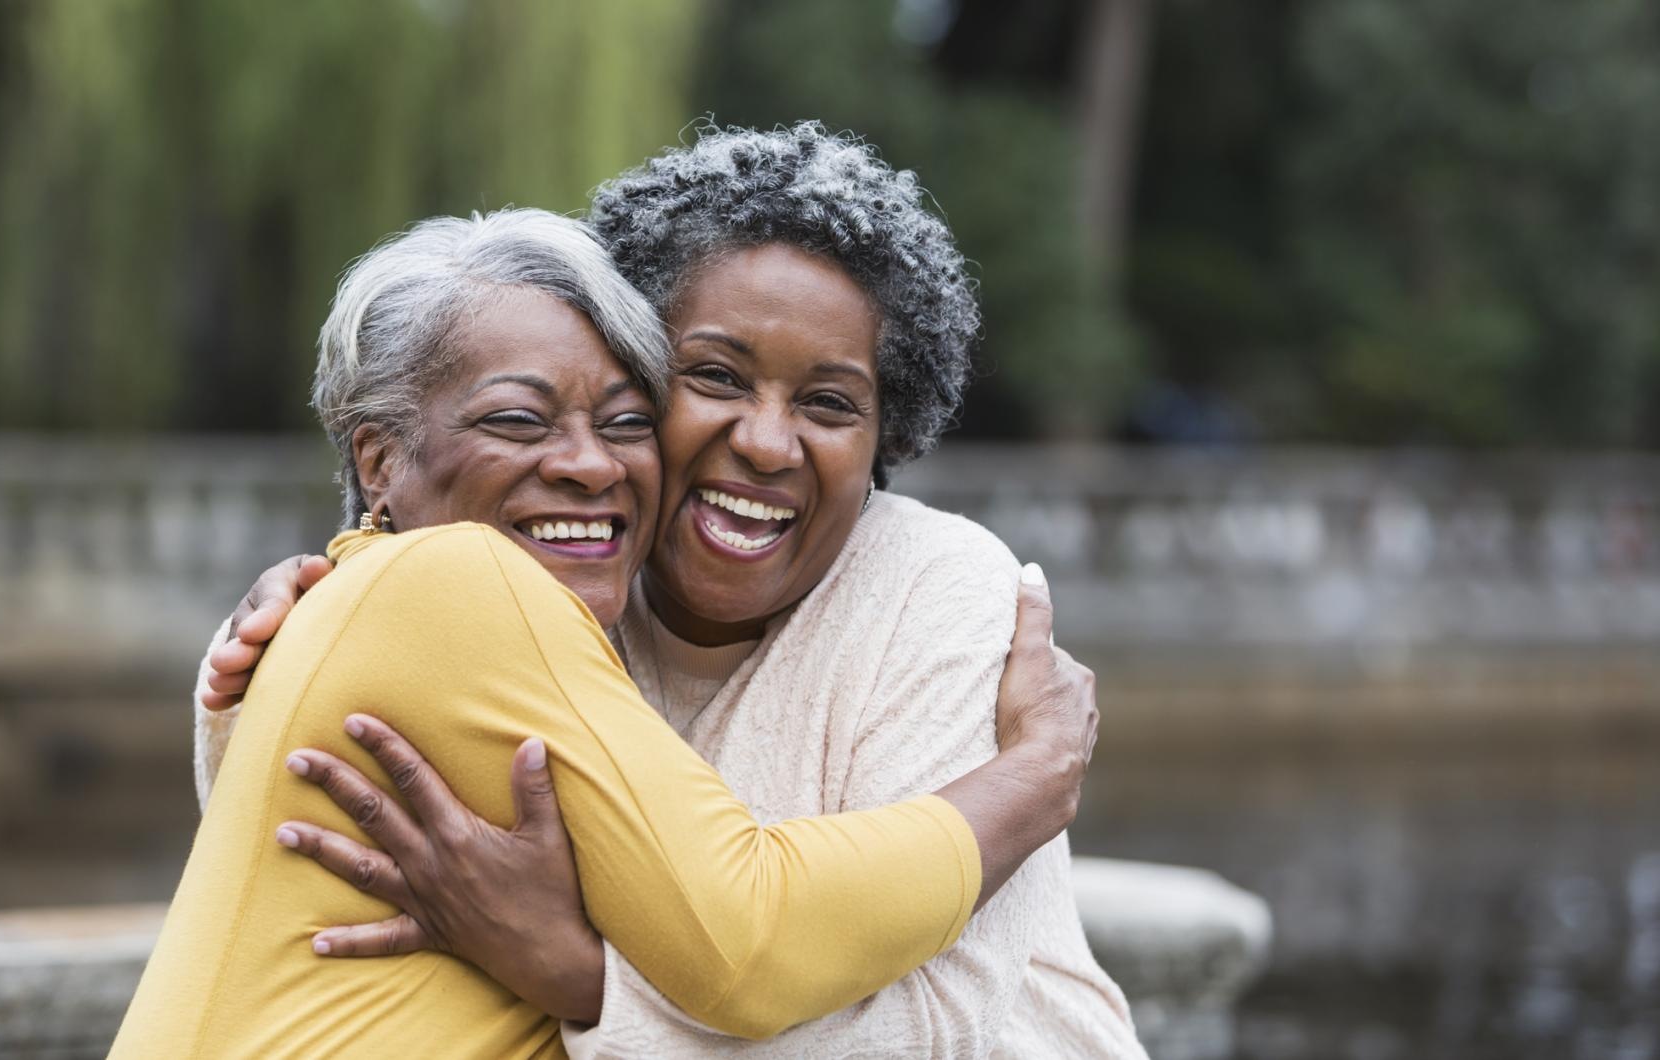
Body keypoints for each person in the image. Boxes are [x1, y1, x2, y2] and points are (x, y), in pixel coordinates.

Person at [197, 124, 1144, 1057]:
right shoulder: (558, 583)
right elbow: (304, 847)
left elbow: (937, 1028)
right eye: (716, 377)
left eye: (828, 403)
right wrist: (309, 633)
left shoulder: (939, 590)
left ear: (885, 436)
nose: (769, 443)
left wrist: (573, 976)